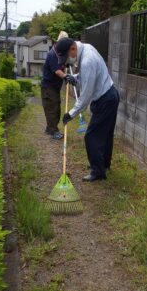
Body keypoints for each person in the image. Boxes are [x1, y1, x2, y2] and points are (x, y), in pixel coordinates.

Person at [56, 37, 120, 182]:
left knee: (91, 136)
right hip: (109, 95)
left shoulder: (87, 60)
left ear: (72, 49)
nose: (67, 61)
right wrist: (75, 77)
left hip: (105, 99)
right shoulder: (86, 49)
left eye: (66, 58)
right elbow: (89, 75)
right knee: (105, 134)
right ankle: (103, 165)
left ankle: (98, 172)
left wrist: (70, 114)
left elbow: (84, 98)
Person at [41, 31, 74, 140]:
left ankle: (50, 128)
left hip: (55, 87)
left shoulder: (60, 53)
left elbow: (62, 64)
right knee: (52, 108)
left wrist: (67, 64)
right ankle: (53, 130)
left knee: (56, 107)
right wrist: (65, 76)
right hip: (48, 86)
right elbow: (57, 71)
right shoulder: (52, 54)